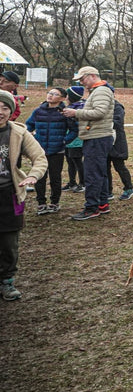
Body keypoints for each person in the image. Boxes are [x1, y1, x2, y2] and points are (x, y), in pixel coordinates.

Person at [0, 90, 46, 301]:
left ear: (11, 111)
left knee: (9, 242)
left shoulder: (18, 133)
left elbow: (39, 158)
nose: (0, 111)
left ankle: (7, 281)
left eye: (5, 107)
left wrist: (33, 176)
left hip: (10, 194)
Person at [62, 67, 115, 220]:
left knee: (92, 173)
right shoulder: (98, 91)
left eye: (82, 79)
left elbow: (99, 112)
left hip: (97, 137)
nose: (81, 83)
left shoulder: (101, 91)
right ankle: (102, 204)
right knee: (100, 172)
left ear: (92, 76)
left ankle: (92, 208)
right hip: (97, 136)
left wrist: (75, 113)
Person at [24, 87, 76, 215]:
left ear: (63, 98)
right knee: (39, 177)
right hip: (39, 151)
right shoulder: (38, 111)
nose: (50, 96)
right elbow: (28, 126)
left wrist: (64, 141)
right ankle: (41, 203)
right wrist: (30, 139)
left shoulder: (65, 113)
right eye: (49, 93)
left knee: (55, 178)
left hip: (57, 151)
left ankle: (54, 202)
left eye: (55, 94)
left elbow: (75, 130)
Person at [106, 99, 133, 202]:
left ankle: (129, 188)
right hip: (104, 141)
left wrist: (101, 122)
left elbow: (117, 122)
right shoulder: (100, 105)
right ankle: (108, 191)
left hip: (117, 142)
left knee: (119, 166)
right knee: (105, 167)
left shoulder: (117, 107)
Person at [61, 86, 85, 192]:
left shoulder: (79, 108)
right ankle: (72, 182)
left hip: (77, 140)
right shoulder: (69, 107)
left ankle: (83, 183)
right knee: (70, 161)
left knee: (78, 162)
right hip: (68, 138)